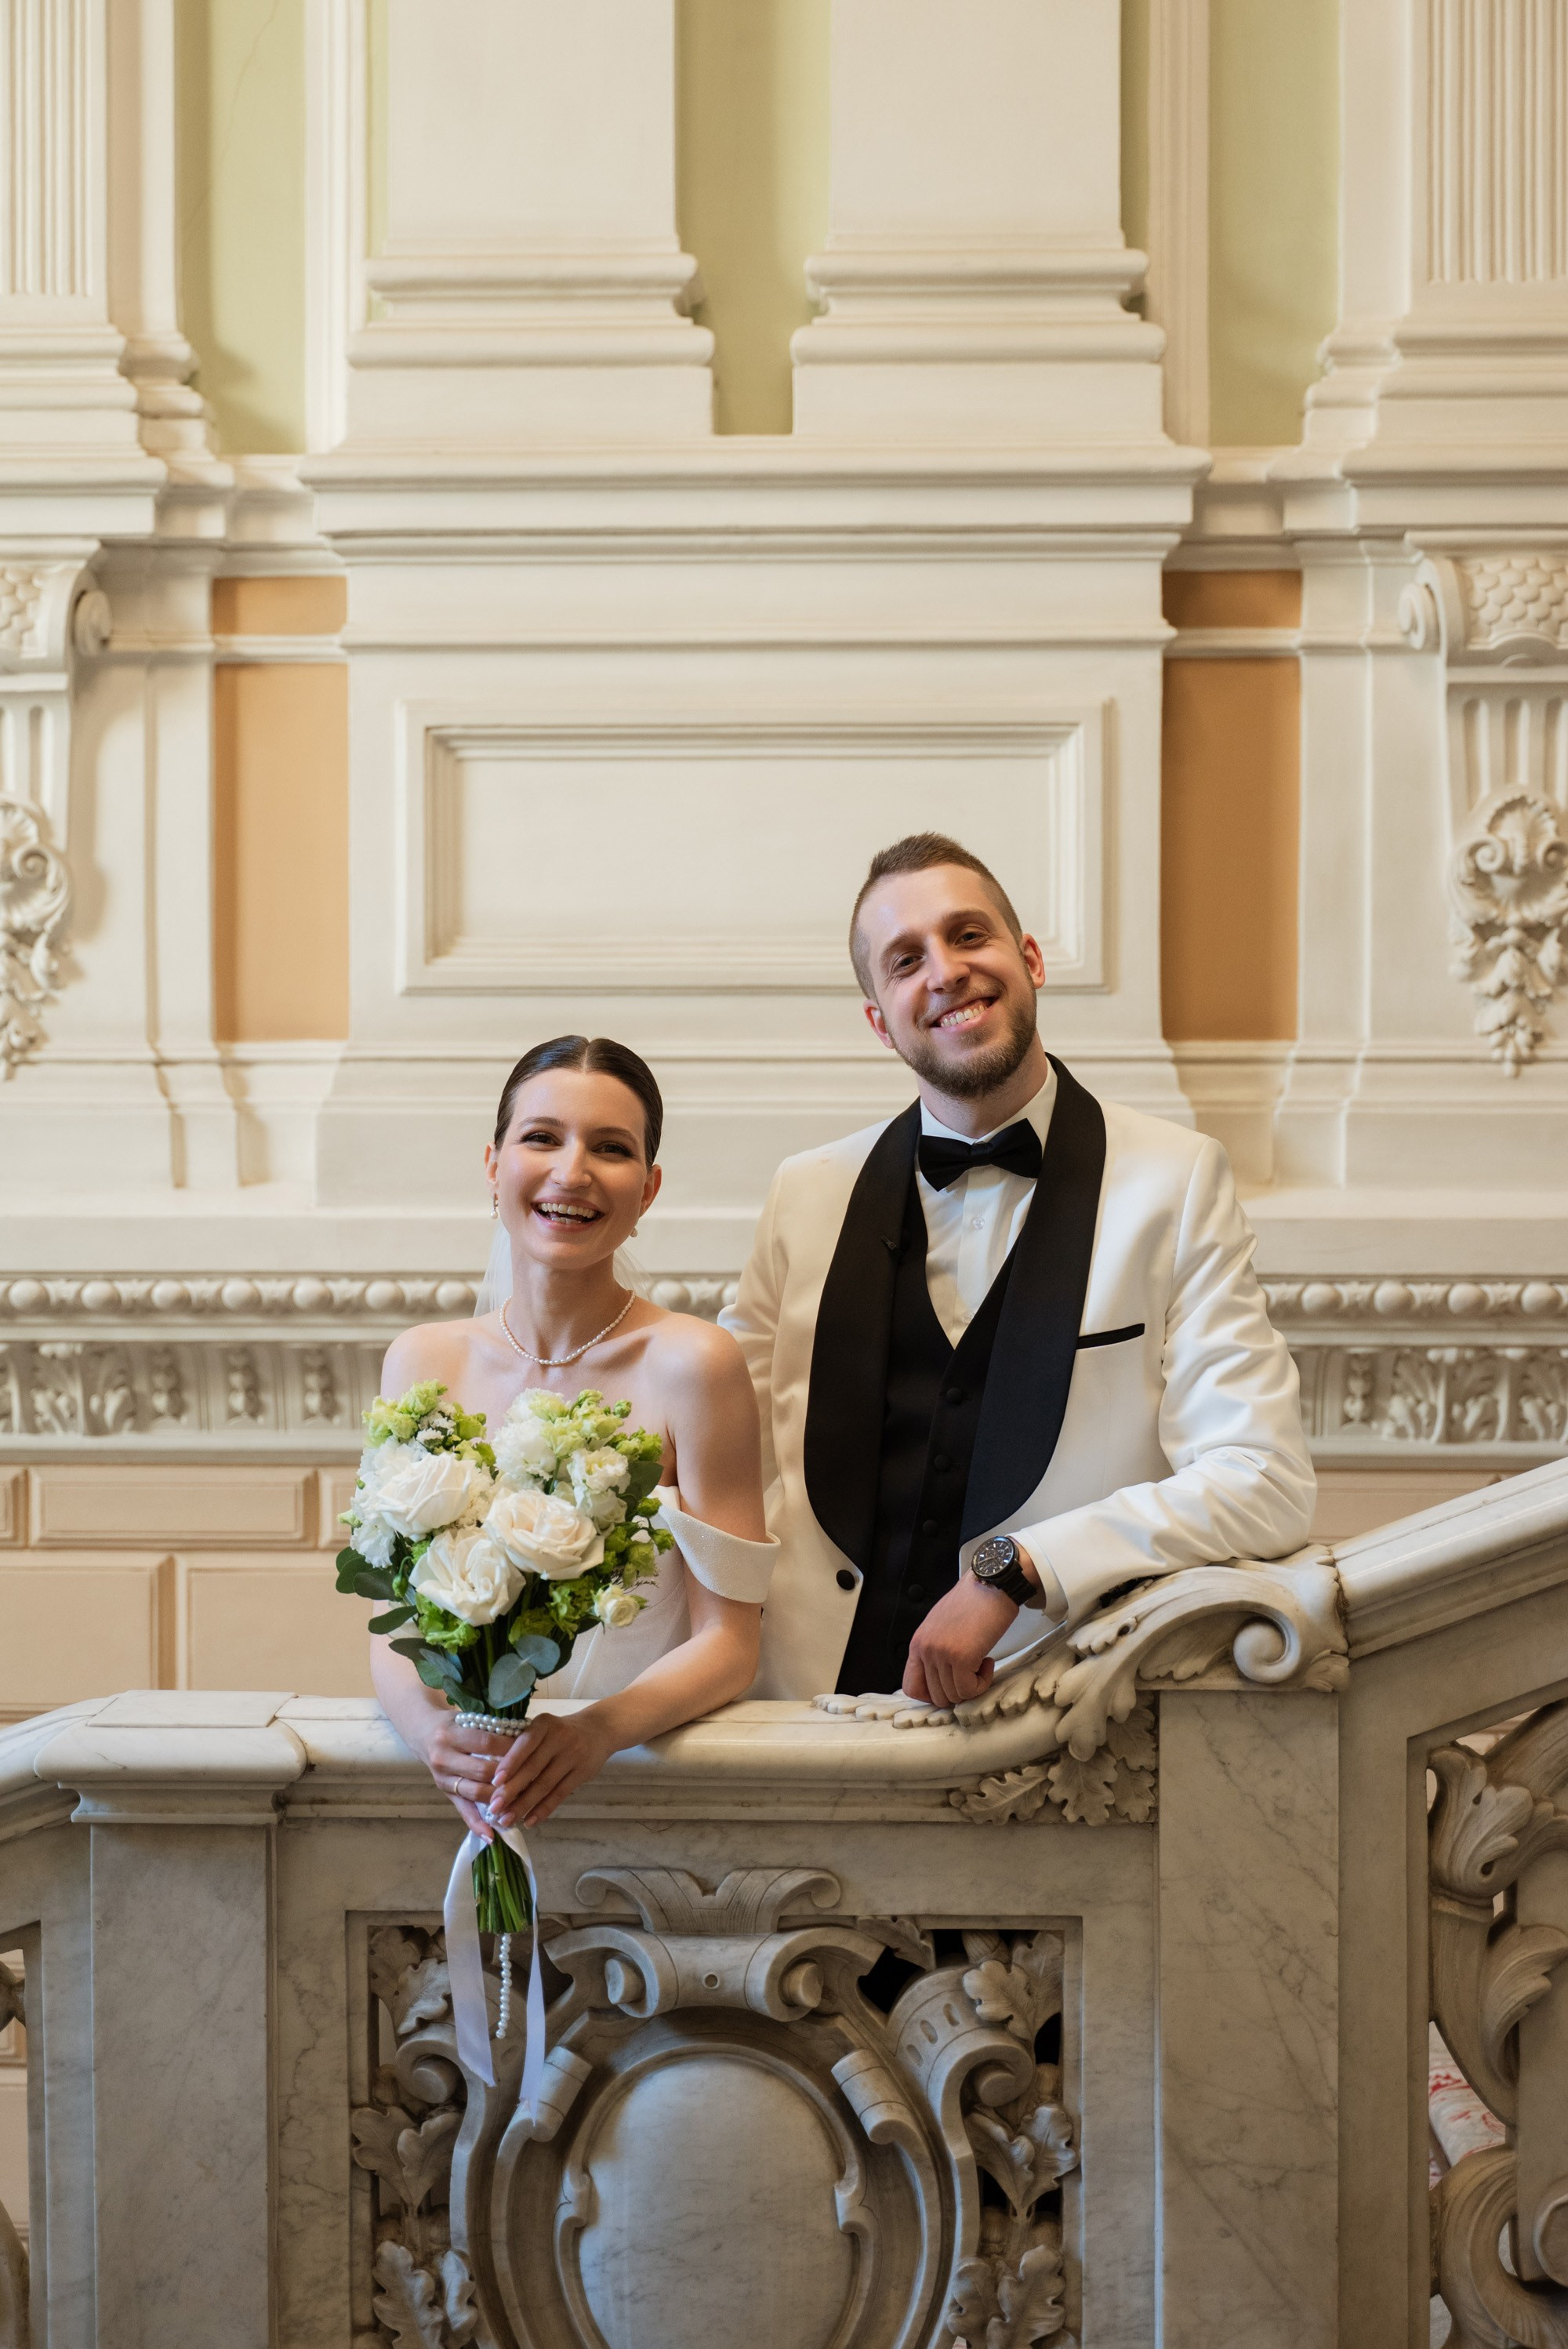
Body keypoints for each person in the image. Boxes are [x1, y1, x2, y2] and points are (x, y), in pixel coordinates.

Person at [720, 831, 1316, 1706]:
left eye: (969, 935)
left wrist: (1019, 1568)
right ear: (879, 1019)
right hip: (801, 1704)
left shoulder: (1174, 1180)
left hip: (1045, 1721)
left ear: (1027, 958)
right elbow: (708, 1442)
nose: (946, 970)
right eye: (905, 959)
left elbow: (1263, 1481)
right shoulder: (804, 1191)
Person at [372, 1035, 775, 1842]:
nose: (572, 1171)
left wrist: (594, 1734)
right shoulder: (422, 1359)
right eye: (542, 1137)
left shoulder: (694, 1364)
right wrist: (435, 1741)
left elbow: (730, 1641)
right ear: (493, 1164)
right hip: (477, 1793)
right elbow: (395, 1623)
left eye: (611, 1148)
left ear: (648, 1188)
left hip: (640, 1776)